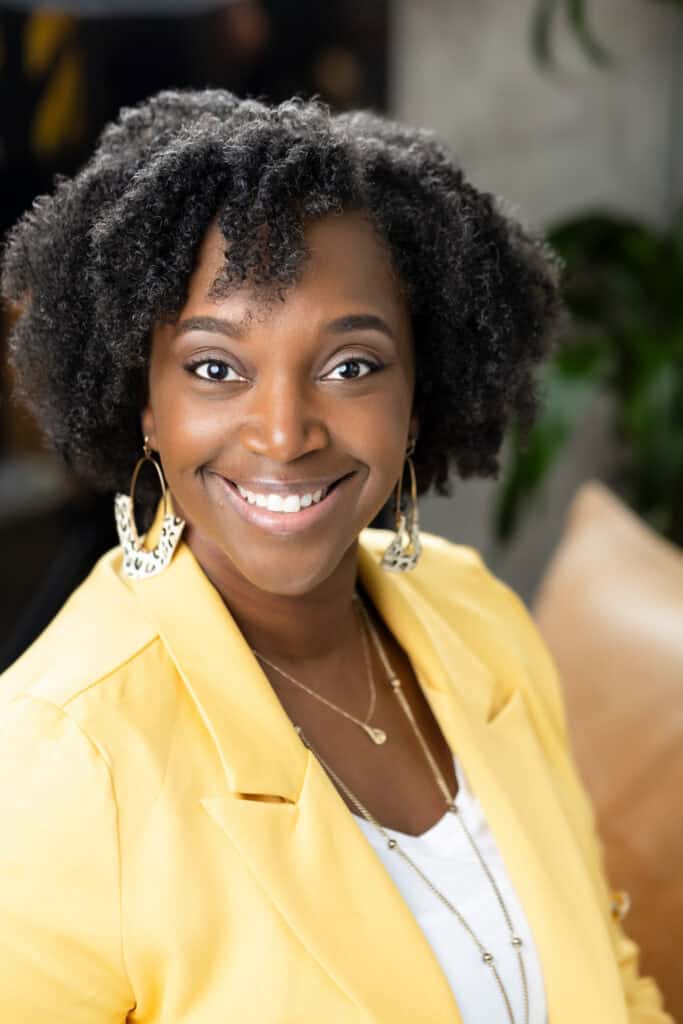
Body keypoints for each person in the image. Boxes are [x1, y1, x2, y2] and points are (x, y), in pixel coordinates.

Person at [0, 89, 672, 1024]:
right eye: (215, 368)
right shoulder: (56, 755)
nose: (283, 434)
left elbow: (614, 976)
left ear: (416, 392)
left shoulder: (477, 615)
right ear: (145, 403)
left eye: (349, 366)